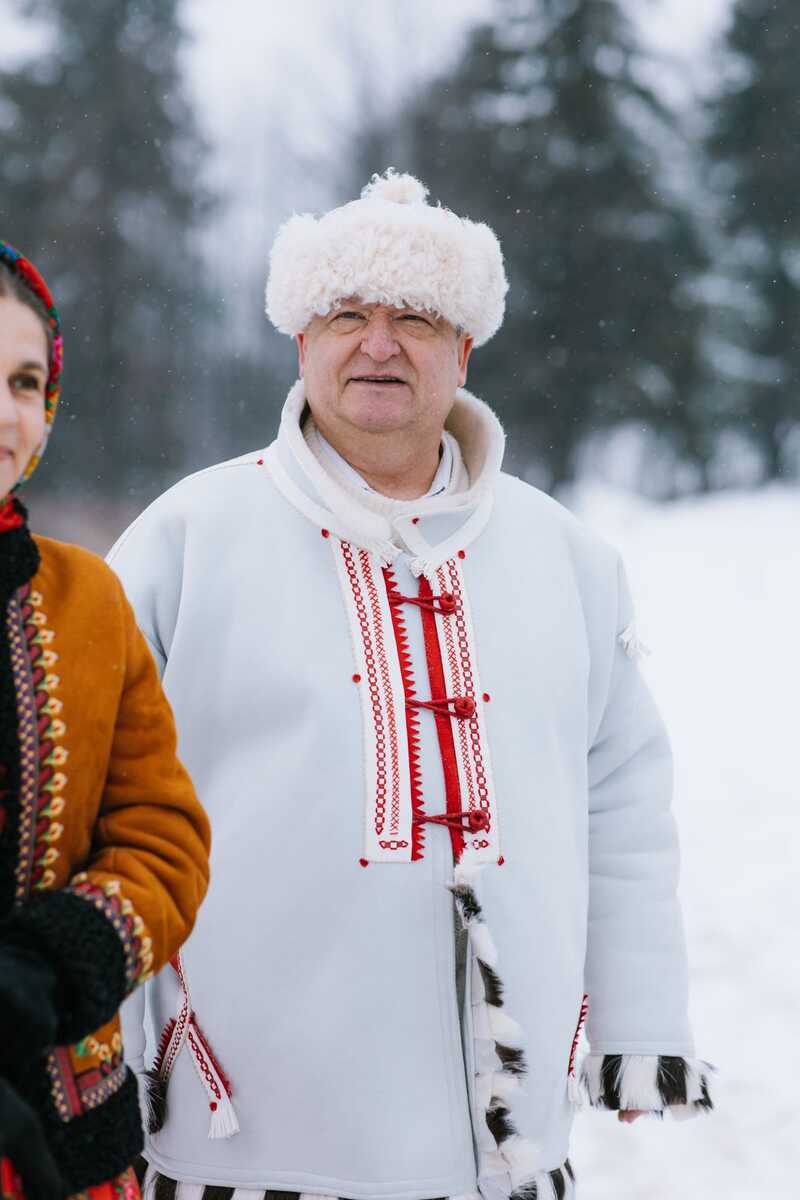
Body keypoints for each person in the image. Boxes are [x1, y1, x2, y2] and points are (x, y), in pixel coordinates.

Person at [111, 171, 711, 1200]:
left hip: (502, 1156)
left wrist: (642, 1024)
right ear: (301, 340)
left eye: (417, 318)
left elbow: (622, 806)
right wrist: (96, 1056)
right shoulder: (184, 540)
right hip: (238, 1131)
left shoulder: (566, 556)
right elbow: (91, 812)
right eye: (347, 315)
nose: (379, 344)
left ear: (463, 349)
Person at [0, 239, 211, 1200]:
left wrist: (50, 964)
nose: (6, 413)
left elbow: (165, 838)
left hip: (71, 1145)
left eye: (24, 382)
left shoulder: (86, 599)